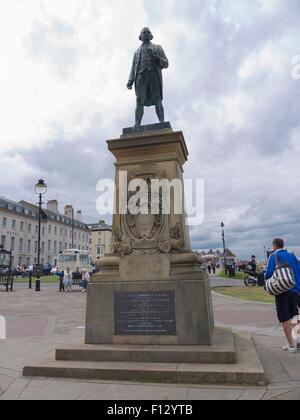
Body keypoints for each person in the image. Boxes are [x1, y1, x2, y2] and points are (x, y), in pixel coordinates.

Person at [127, 27, 169, 128]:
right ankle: (137, 124)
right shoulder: (136, 53)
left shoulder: (158, 48)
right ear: (140, 37)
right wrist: (130, 80)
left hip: (153, 75)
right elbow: (133, 68)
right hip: (140, 76)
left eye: (148, 32)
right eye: (143, 32)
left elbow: (166, 63)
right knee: (139, 101)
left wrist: (158, 58)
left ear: (151, 36)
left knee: (157, 99)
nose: (146, 33)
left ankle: (161, 122)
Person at [265, 238, 300, 353]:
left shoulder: (273, 257)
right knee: (294, 315)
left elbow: (269, 273)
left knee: (285, 317)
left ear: (274, 245)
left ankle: (291, 345)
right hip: (295, 289)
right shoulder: (292, 255)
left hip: (282, 290)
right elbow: (298, 271)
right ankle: (298, 342)